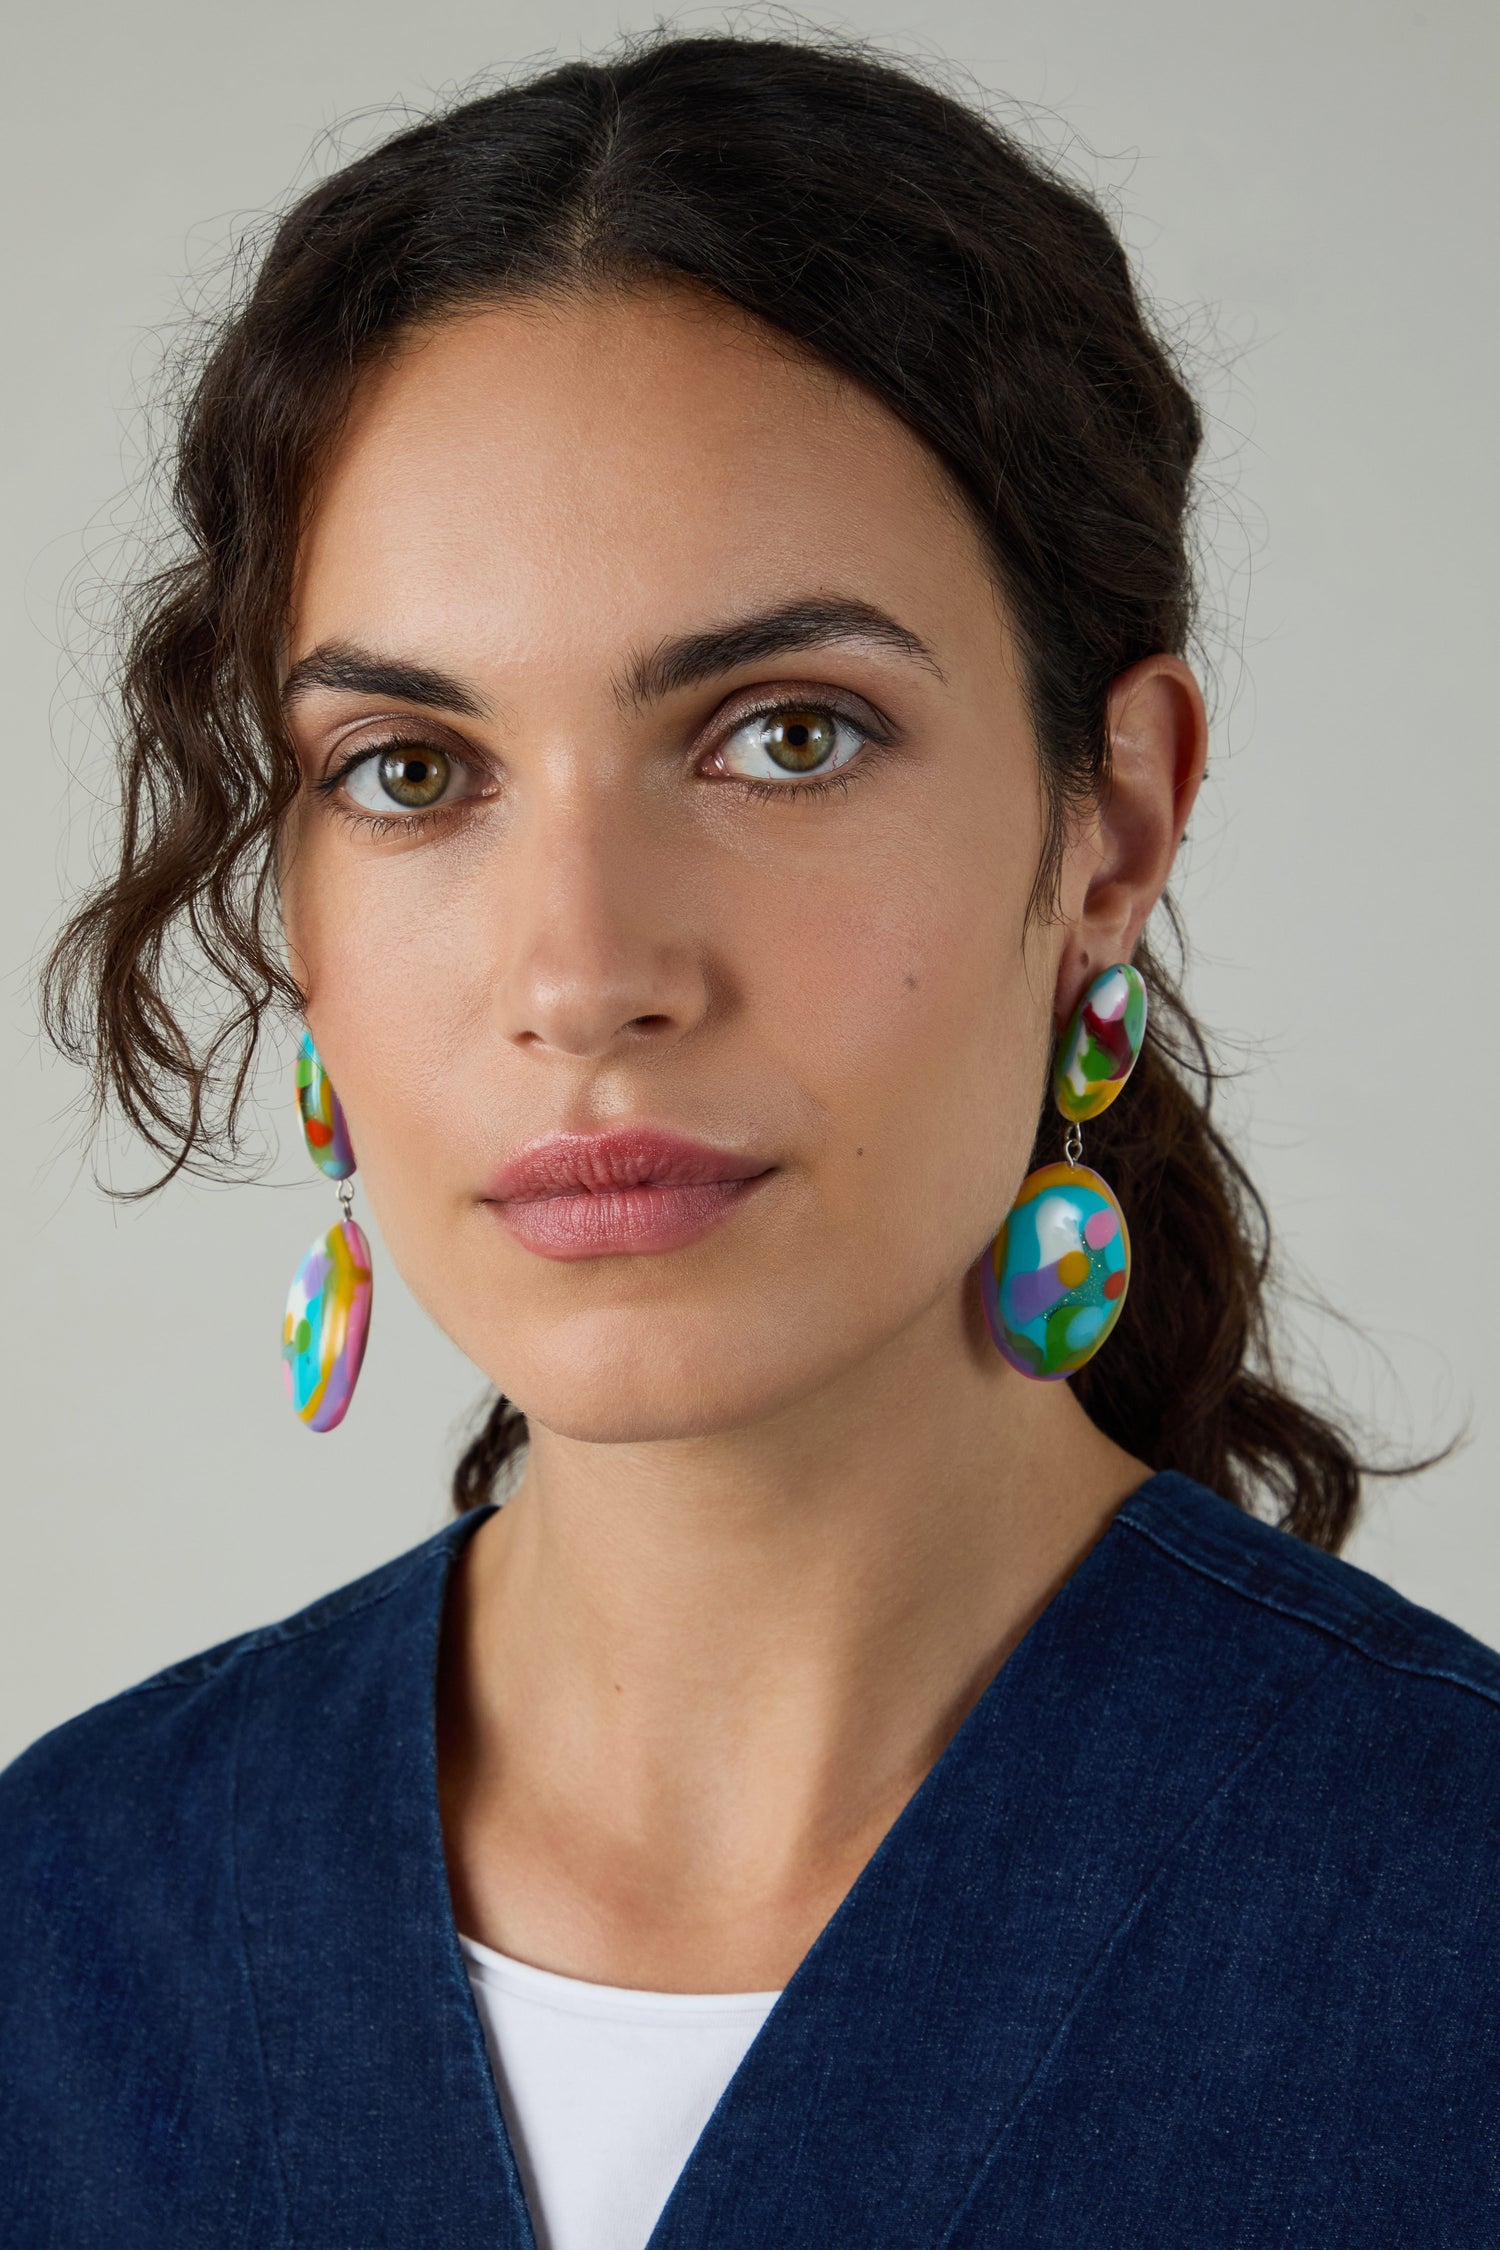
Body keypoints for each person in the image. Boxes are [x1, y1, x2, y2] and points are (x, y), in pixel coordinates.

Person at [4, 31, 1496, 2249]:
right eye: (413, 769)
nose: (587, 970)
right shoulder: (63, 1934)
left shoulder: (1448, 1927)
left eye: (784, 736)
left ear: (1118, 817)